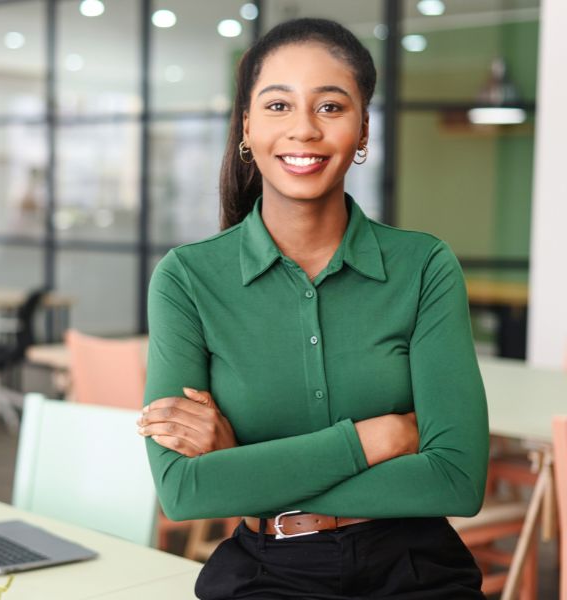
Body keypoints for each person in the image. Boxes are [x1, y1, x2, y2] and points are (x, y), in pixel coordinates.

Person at [137, 17, 489, 600]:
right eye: (278, 106)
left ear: (363, 128)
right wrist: (375, 440)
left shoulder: (424, 266)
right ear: (247, 126)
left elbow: (456, 480)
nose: (303, 130)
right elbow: (185, 492)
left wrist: (242, 469)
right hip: (266, 572)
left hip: (417, 569)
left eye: (330, 107)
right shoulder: (188, 279)